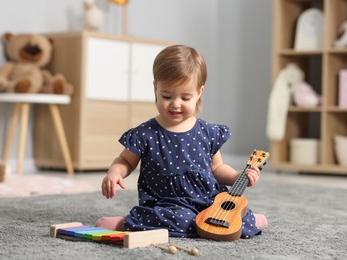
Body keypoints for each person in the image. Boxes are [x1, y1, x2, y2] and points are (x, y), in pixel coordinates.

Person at [95, 45, 267, 238]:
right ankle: (126, 222)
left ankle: (244, 219)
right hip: (167, 203)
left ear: (199, 92)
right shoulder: (146, 133)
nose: (175, 104)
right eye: (166, 96)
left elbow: (217, 169)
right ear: (155, 88)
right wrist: (114, 172)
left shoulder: (208, 132)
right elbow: (126, 161)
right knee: (180, 220)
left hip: (206, 199)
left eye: (185, 97)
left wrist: (239, 177)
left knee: (227, 211)